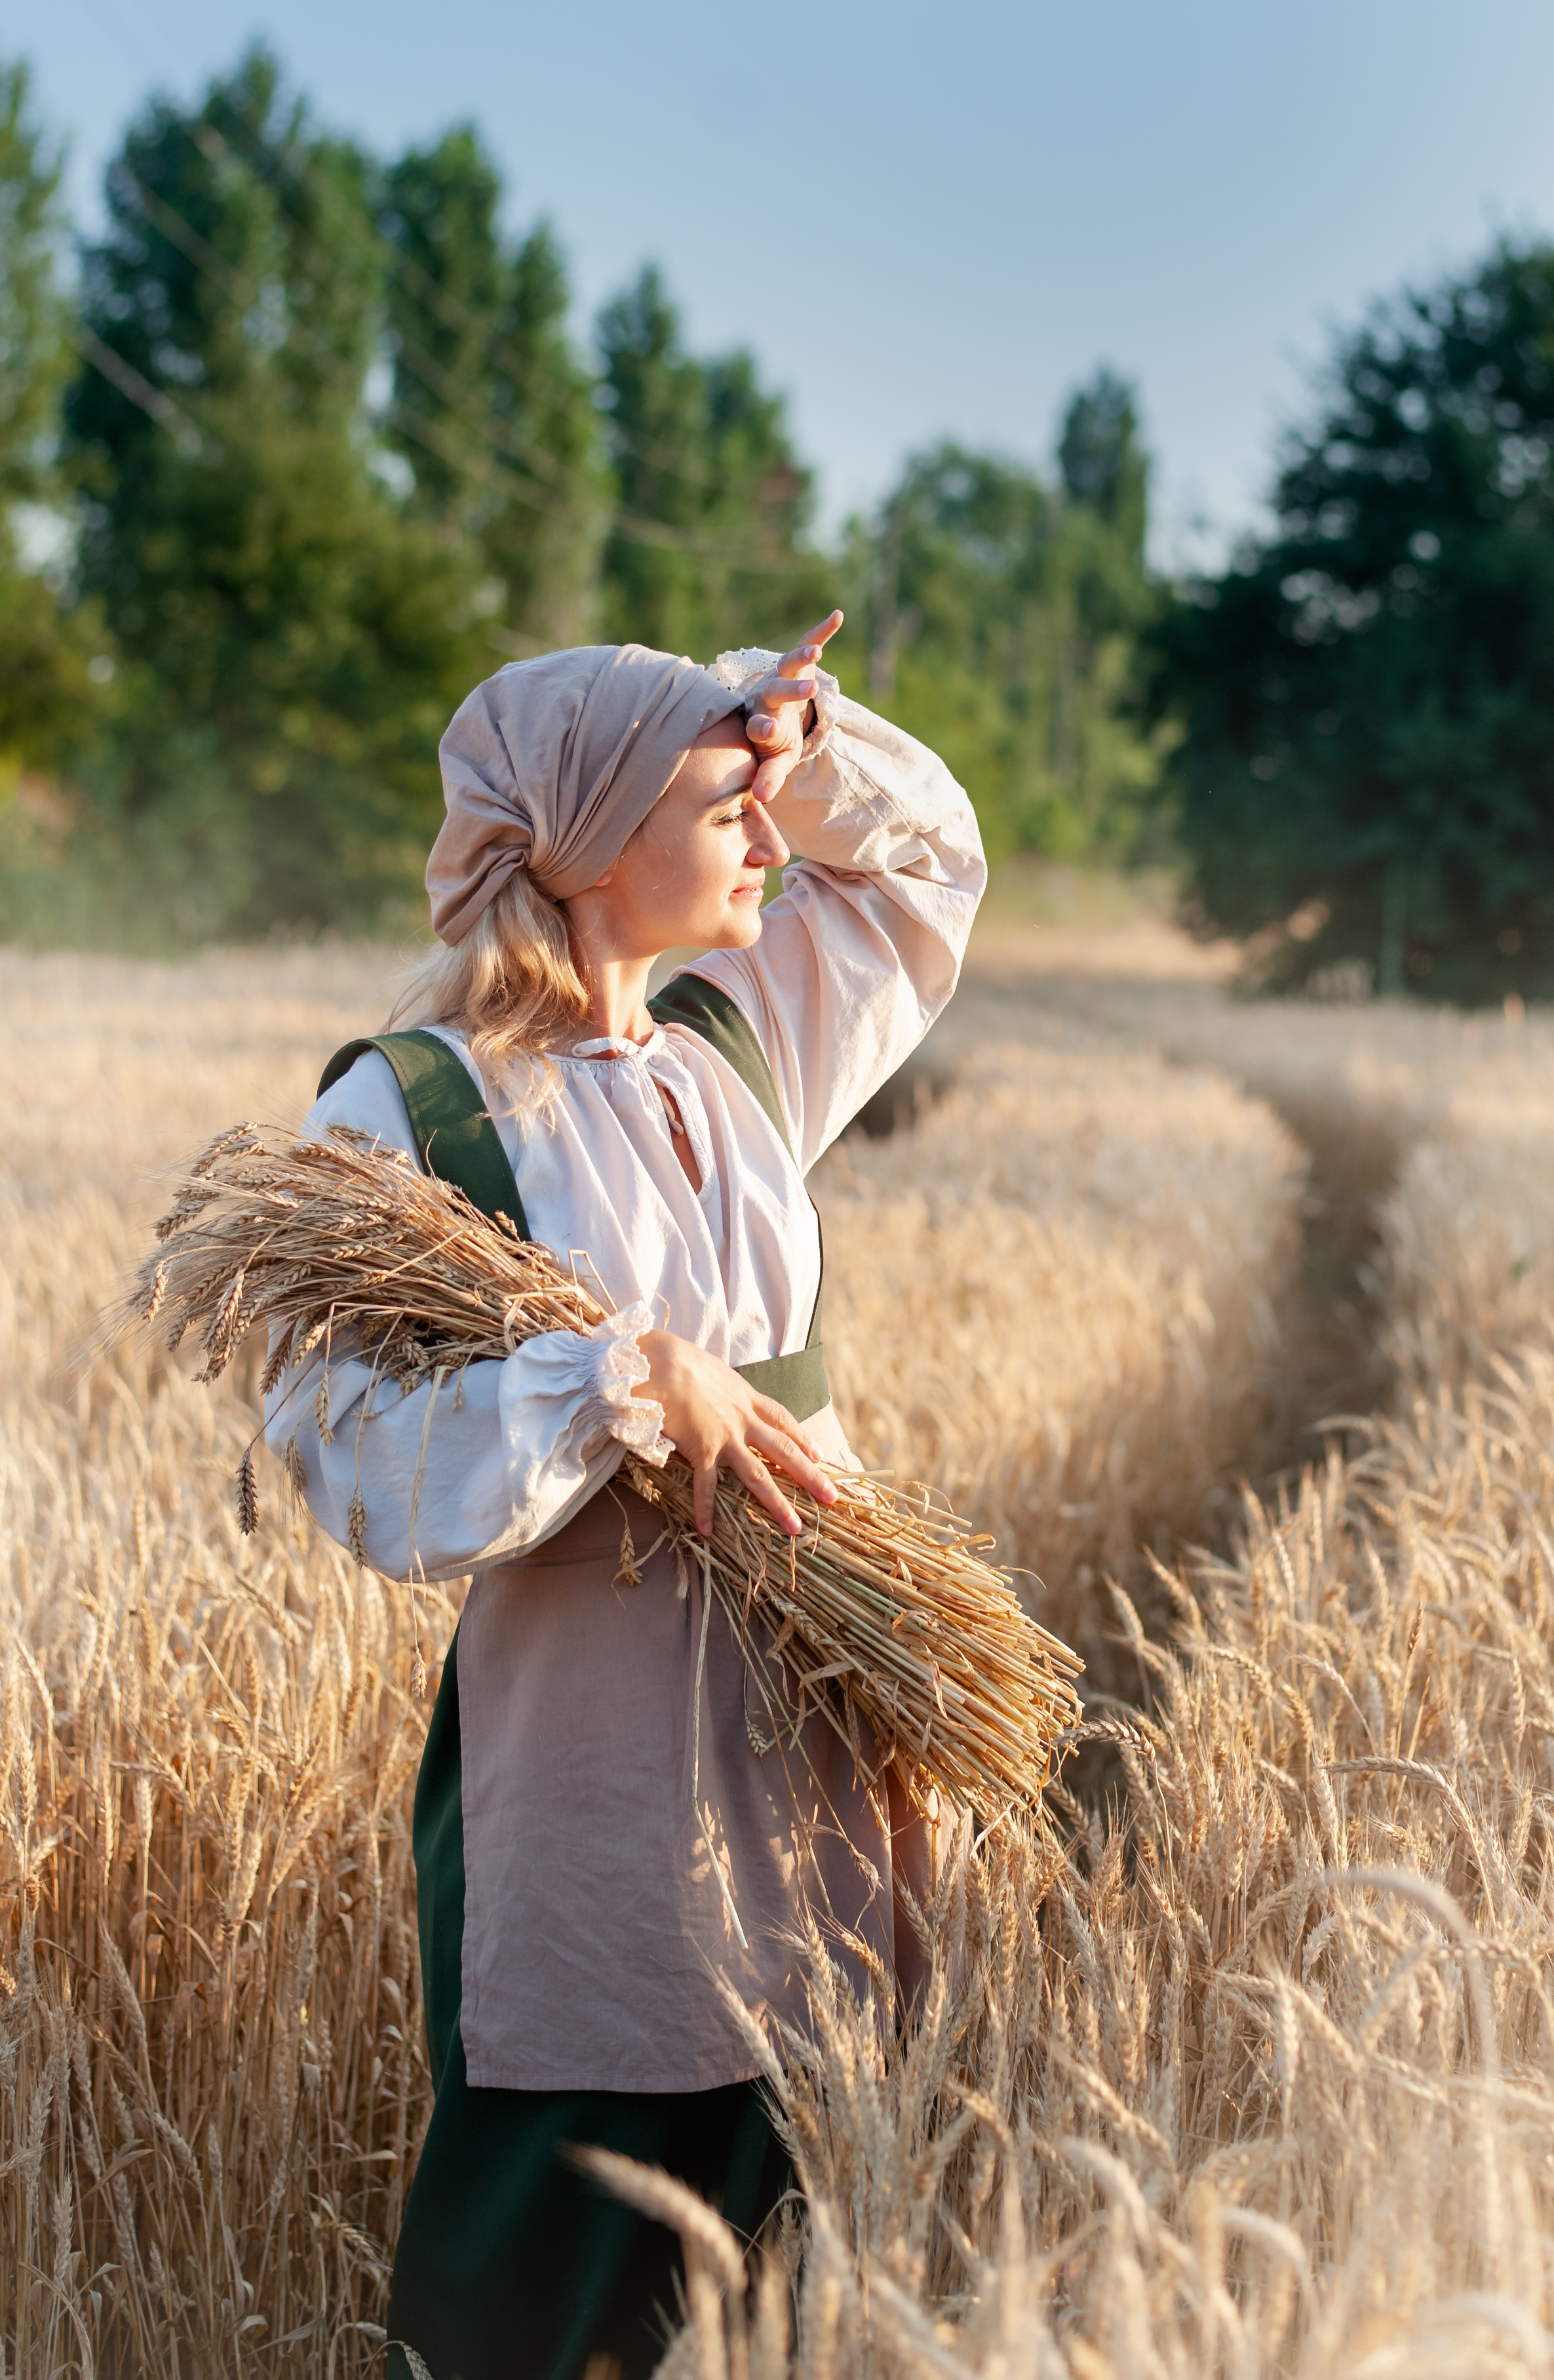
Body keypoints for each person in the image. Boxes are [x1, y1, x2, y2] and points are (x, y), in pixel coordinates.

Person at [264, 610, 986, 2380]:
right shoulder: (415, 1113)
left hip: (819, 1725)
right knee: (558, 2251)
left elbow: (922, 874)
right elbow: (353, 1459)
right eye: (721, 793)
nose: (765, 826)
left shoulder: (734, 1055)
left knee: (798, 2231)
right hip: (593, 1764)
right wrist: (622, 1381)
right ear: (592, 842)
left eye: (766, 795)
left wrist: (794, 733)